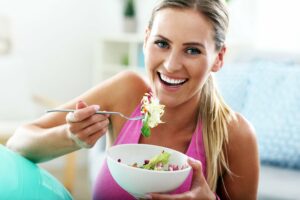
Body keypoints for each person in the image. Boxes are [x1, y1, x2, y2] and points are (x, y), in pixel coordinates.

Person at [7, 0, 259, 199]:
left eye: (192, 50)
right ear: (146, 40)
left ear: (219, 57)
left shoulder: (236, 134)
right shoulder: (125, 92)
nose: (171, 65)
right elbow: (18, 143)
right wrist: (70, 137)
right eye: (162, 43)